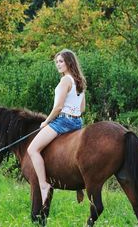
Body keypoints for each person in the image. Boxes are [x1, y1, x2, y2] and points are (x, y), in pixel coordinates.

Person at [27, 49, 87, 206]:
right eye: (56, 62)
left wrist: (46, 122)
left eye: (61, 61)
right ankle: (78, 187)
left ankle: (43, 184)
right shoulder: (79, 80)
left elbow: (58, 107)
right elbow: (82, 109)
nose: (58, 65)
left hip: (63, 122)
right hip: (77, 122)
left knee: (32, 149)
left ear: (69, 62)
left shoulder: (65, 80)